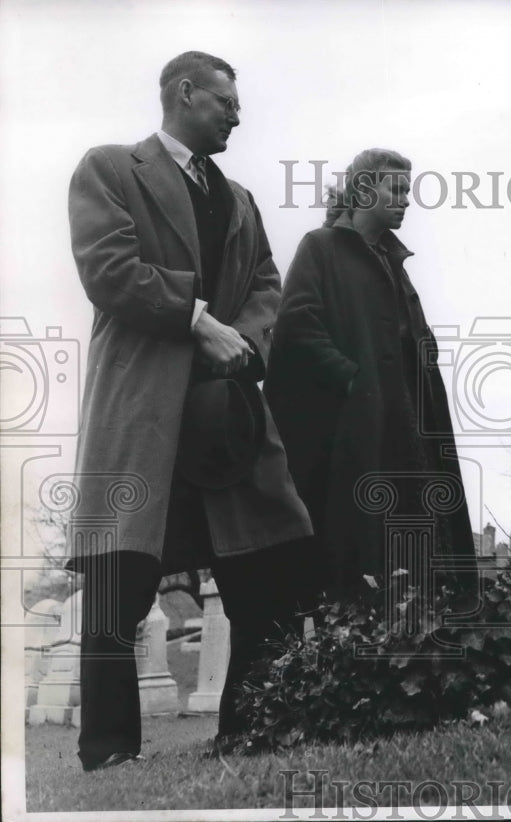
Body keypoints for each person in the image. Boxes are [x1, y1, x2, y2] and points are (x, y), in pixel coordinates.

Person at [67, 51, 314, 771]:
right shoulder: (111, 169)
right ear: (183, 93)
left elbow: (268, 286)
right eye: (224, 102)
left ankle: (248, 727)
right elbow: (108, 270)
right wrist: (198, 320)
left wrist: (246, 345)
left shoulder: (239, 199)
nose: (237, 115)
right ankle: (109, 748)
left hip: (225, 416)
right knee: (118, 584)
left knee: (265, 568)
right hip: (140, 412)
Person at [264, 149, 477, 602]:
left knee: (420, 556)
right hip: (357, 433)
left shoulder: (394, 263)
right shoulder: (320, 248)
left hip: (411, 431)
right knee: (360, 557)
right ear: (363, 190)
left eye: (408, 190)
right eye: (395, 189)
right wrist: (352, 380)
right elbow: (296, 326)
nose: (405, 200)